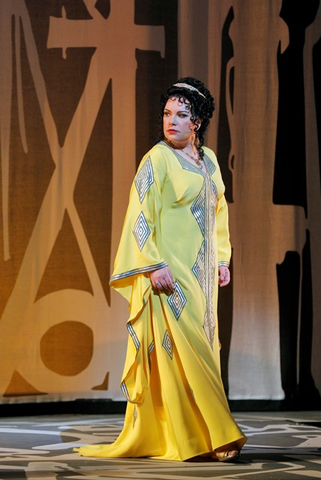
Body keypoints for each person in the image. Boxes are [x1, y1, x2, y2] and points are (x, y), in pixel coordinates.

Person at [75, 77, 247, 461]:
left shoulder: (211, 161)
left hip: (201, 274)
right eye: (167, 114)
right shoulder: (157, 159)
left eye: (181, 115)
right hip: (169, 273)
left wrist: (222, 259)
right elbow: (139, 217)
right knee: (184, 350)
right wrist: (152, 265)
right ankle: (219, 434)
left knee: (203, 348)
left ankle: (198, 435)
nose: (171, 121)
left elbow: (219, 212)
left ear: (197, 122)